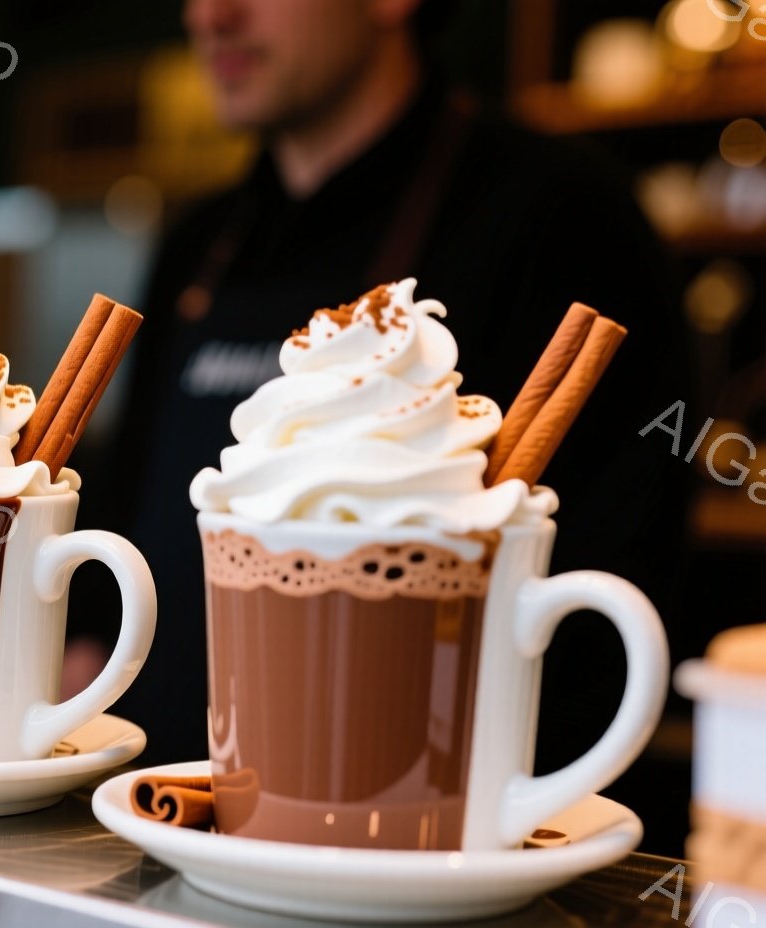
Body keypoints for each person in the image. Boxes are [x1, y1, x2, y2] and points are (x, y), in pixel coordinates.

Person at [82, 0, 688, 779]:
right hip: (155, 821)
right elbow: (119, 526)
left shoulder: (561, 218)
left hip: (412, 842)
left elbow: (605, 601)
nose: (212, 16)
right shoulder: (196, 246)